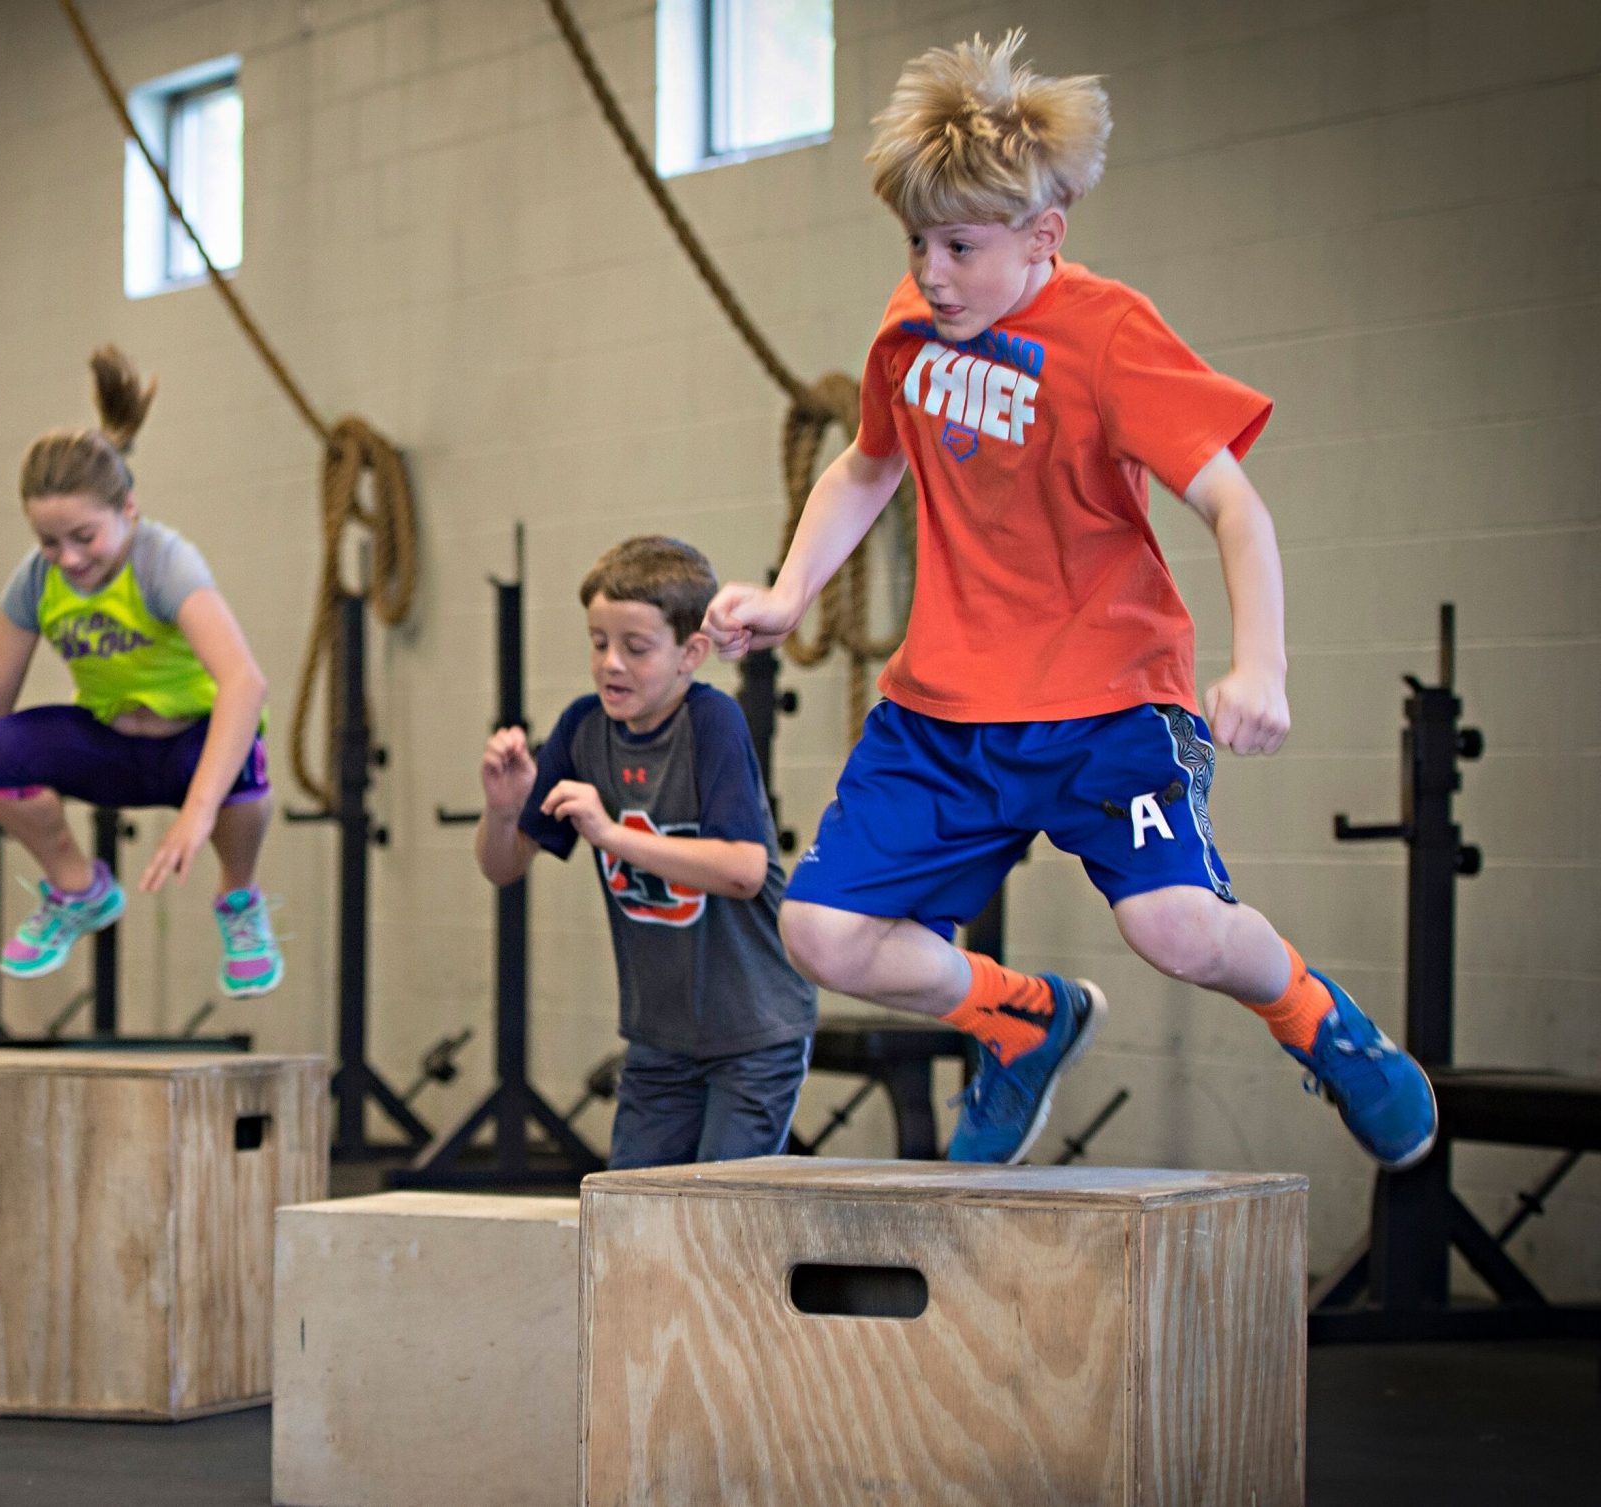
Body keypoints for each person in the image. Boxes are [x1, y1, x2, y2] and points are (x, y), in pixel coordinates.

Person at [704, 31, 1436, 1166]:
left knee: (1177, 929)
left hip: (1106, 702)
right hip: (945, 709)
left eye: (959, 245)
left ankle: (1320, 1022)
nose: (931, 270)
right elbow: (866, 464)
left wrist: (1261, 666)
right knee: (822, 931)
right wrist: (791, 589)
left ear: (1043, 234)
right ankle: (1019, 1017)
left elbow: (1234, 507)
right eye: (915, 243)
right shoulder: (910, 327)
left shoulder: (1107, 337)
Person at [0, 347, 281, 999]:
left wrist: (198, 813)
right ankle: (77, 887)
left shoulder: (162, 561)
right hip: (110, 748)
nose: (68, 558)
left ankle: (239, 898)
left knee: (243, 753)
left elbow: (245, 682)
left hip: (191, 751)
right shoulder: (38, 581)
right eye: (49, 541)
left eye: (84, 538)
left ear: (128, 510)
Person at [478, 536, 814, 1168]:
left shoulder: (711, 723)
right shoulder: (583, 728)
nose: (611, 664)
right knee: (632, 1215)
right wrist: (501, 810)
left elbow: (744, 870)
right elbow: (503, 866)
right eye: (598, 643)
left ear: (691, 653)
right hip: (660, 1040)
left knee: (720, 1209)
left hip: (752, 1032)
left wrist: (611, 836)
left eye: (635, 648)